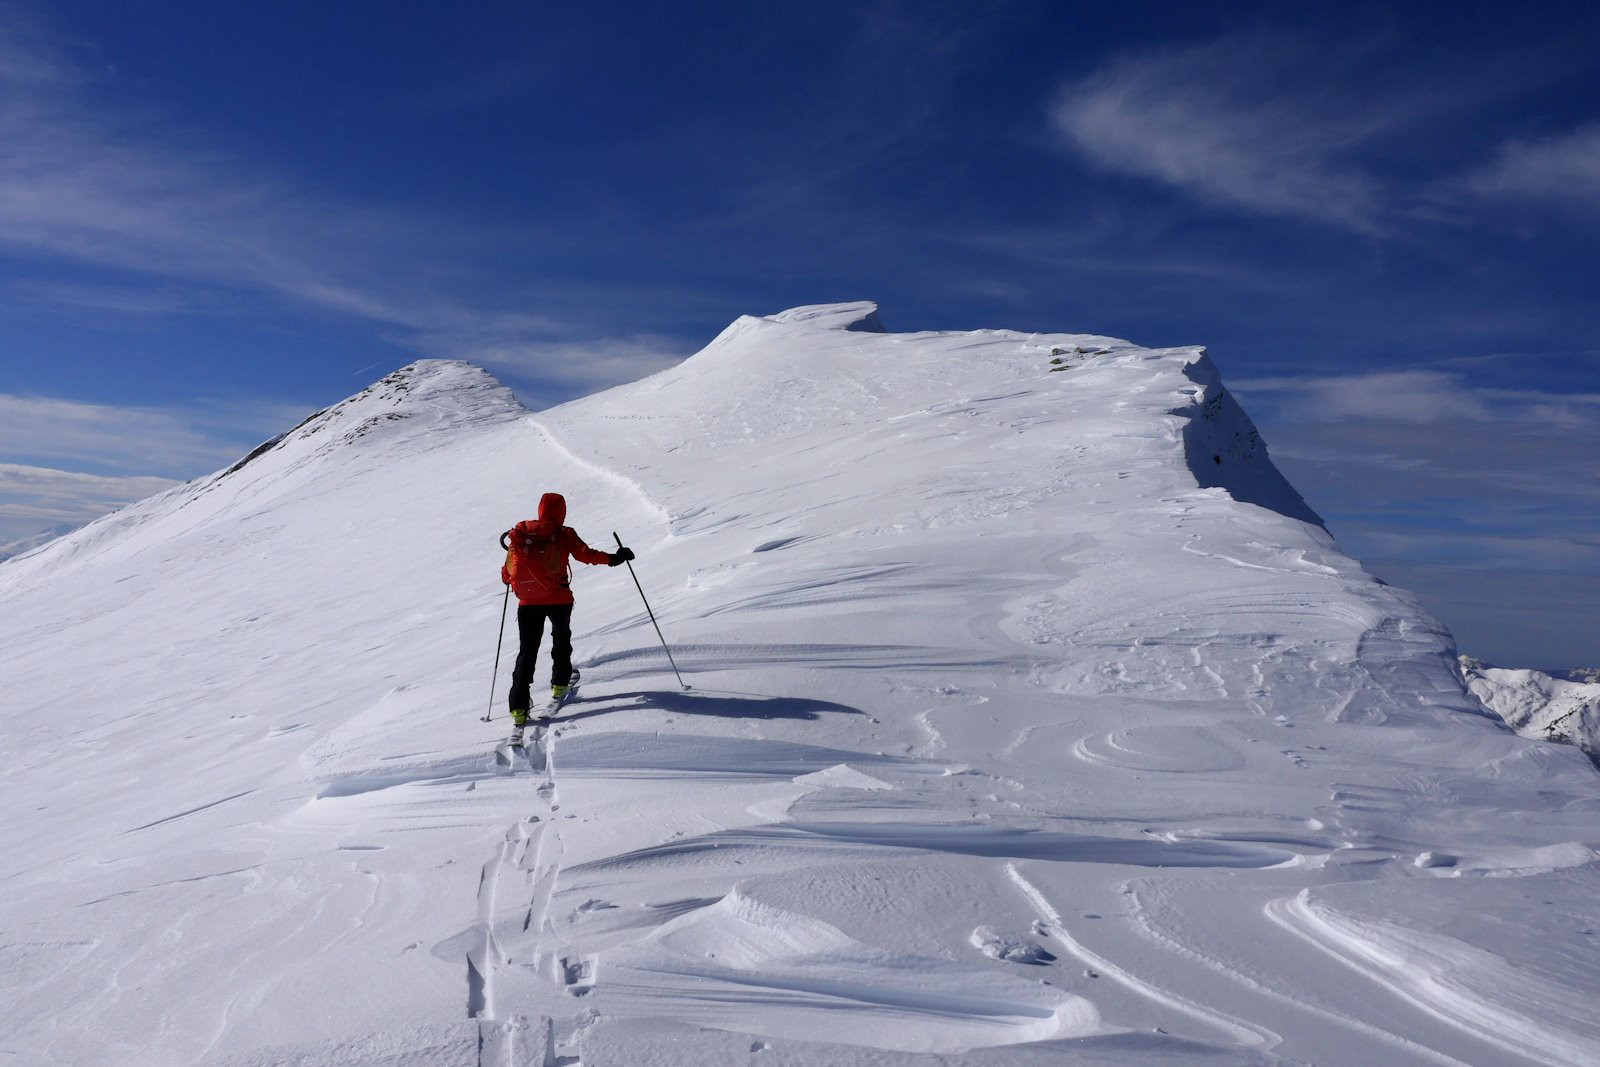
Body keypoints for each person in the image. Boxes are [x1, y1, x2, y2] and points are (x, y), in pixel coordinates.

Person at [500, 492, 633, 727]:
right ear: (561, 512)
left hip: (528, 604)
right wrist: (614, 559)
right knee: (561, 639)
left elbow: (507, 572)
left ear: (540, 509)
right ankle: (560, 683)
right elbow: (587, 555)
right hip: (560, 599)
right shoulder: (563, 534)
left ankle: (518, 706)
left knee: (527, 651)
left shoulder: (521, 535)